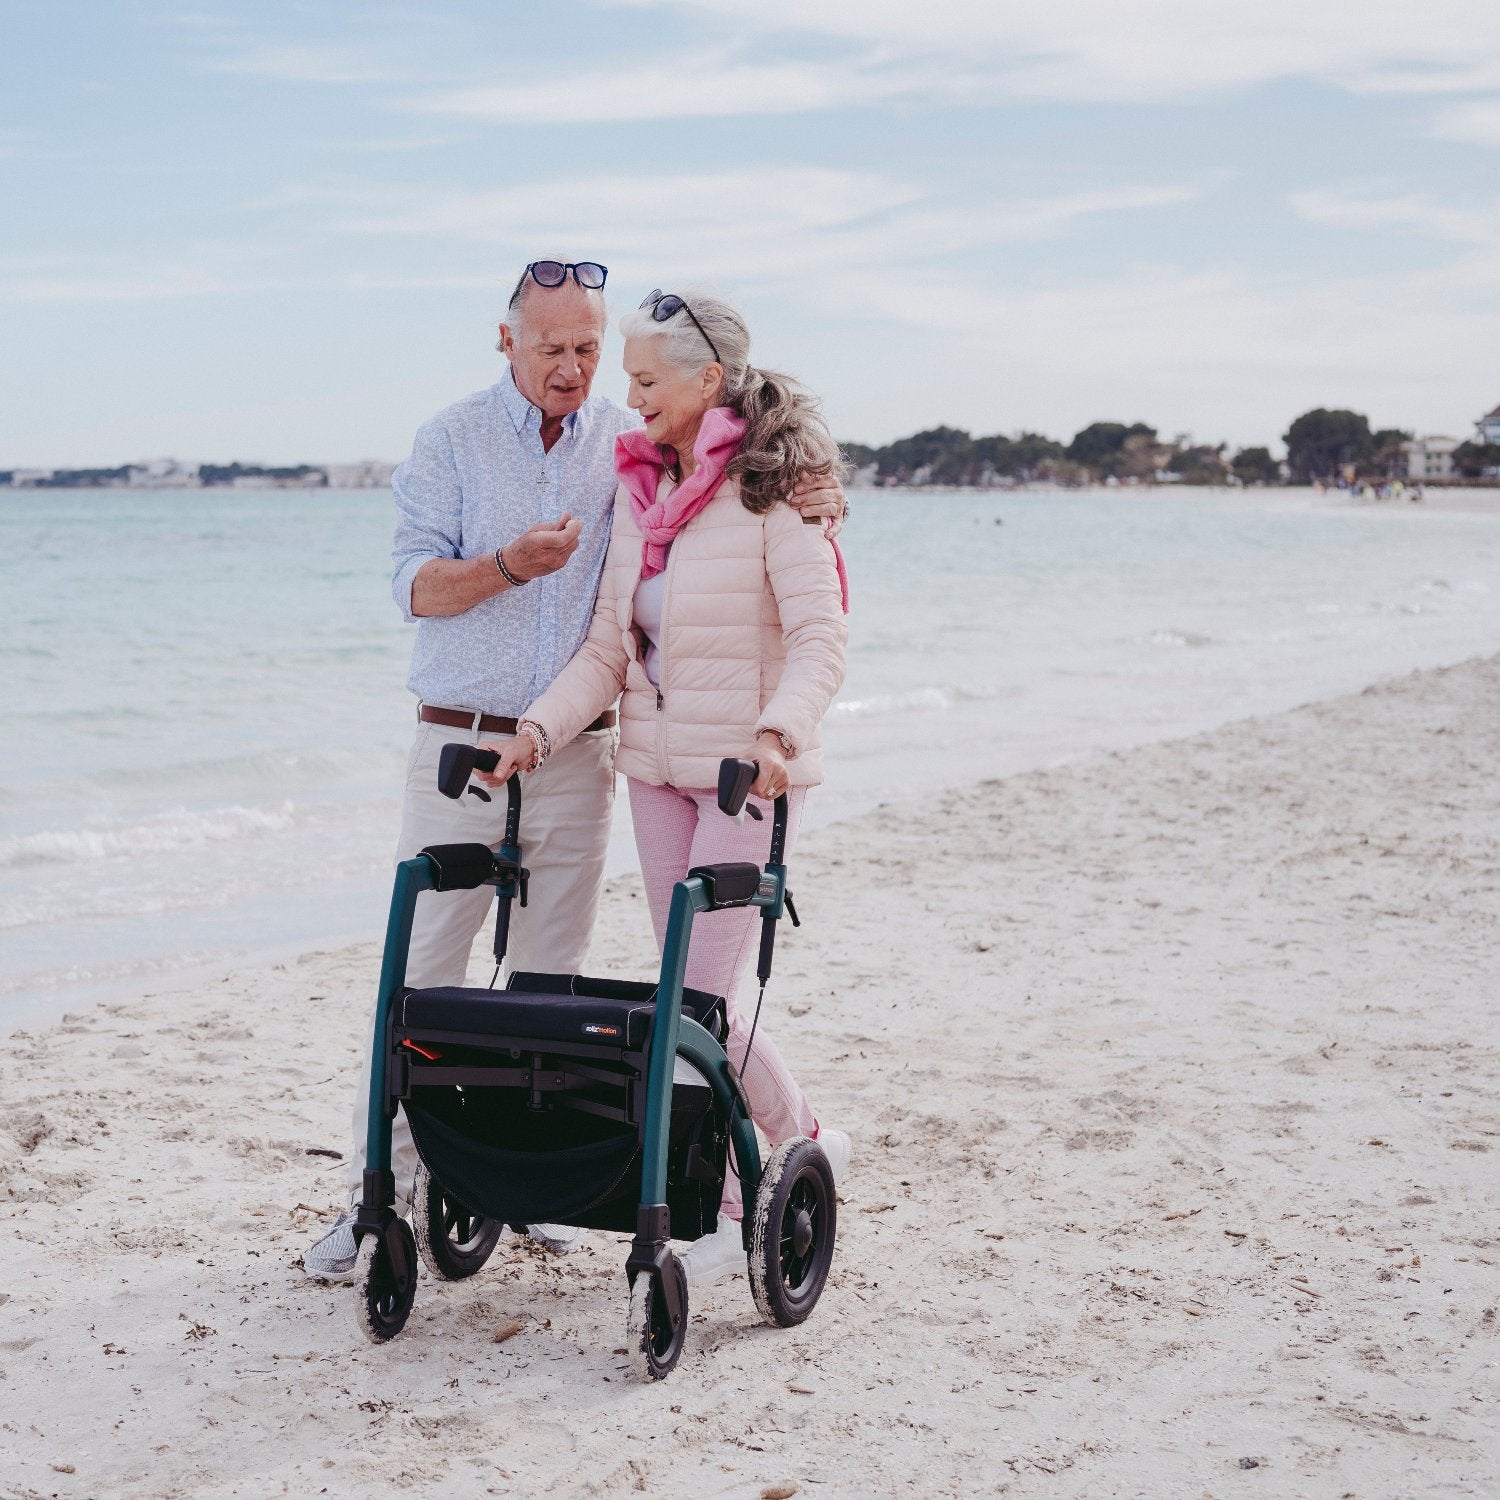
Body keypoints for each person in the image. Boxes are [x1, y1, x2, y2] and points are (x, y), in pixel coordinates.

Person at [303, 260, 846, 1280]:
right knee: (422, 982)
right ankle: (380, 1199)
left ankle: (539, 1184)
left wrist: (812, 486)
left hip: (623, 764)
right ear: (505, 340)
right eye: (551, 345)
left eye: (590, 349)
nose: (578, 368)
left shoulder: (636, 455)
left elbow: (790, 566)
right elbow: (419, 591)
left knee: (559, 995)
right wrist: (509, 572)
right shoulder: (460, 441)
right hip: (477, 745)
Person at [477, 288, 851, 1286]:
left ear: (708, 381)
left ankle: (737, 1199)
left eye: (645, 378)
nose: (628, 393)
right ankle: (803, 1136)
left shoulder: (779, 491)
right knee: (694, 1006)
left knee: (698, 1004)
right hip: (653, 772)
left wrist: (781, 734)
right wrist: (537, 732)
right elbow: (608, 649)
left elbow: (820, 640)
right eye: (629, 376)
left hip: (745, 780)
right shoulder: (639, 493)